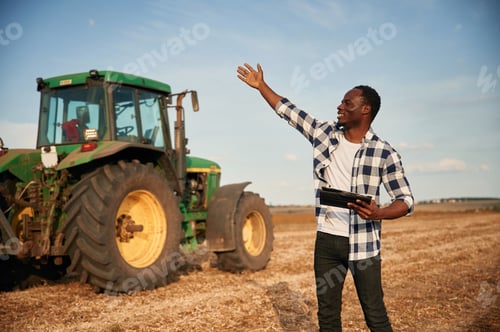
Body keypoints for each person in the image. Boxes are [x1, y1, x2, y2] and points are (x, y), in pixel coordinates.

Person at [237, 63, 414, 331]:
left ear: (365, 109)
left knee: (375, 316)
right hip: (328, 242)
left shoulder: (384, 152)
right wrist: (261, 86)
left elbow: (406, 201)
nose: (339, 106)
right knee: (328, 315)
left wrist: (378, 213)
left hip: (364, 245)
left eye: (347, 102)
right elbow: (288, 111)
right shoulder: (324, 133)